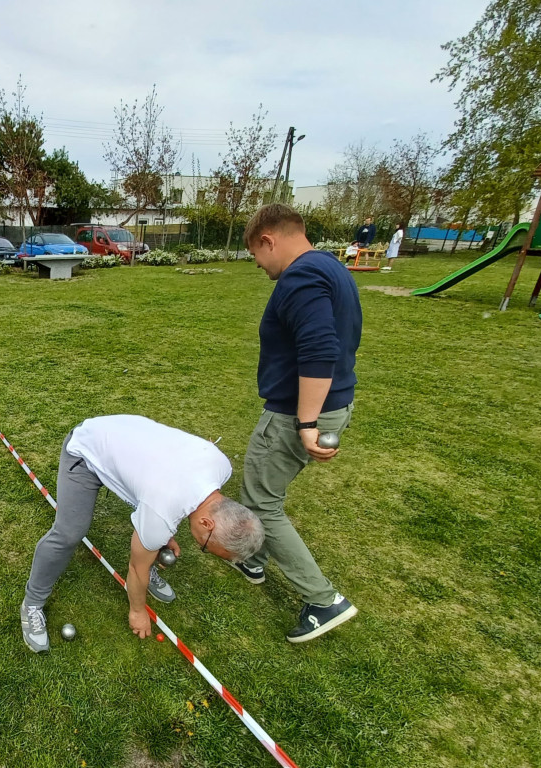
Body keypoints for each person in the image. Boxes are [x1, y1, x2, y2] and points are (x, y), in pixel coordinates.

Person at [20, 415, 264, 653]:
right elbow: (136, 568)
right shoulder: (163, 507)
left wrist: (161, 534)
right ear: (207, 523)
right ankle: (32, 603)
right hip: (87, 449)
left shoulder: (222, 466)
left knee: (154, 529)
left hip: (128, 442)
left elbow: (174, 489)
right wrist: (137, 611)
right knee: (70, 532)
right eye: (205, 546)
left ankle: (151, 553)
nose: (201, 547)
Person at [237, 204, 362, 643]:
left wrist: (306, 421)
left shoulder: (300, 277)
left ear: (268, 240)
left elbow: (320, 349)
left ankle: (323, 600)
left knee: (259, 502)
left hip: (297, 411)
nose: (258, 264)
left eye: (256, 253)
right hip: (330, 403)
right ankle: (253, 557)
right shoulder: (330, 266)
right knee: (264, 493)